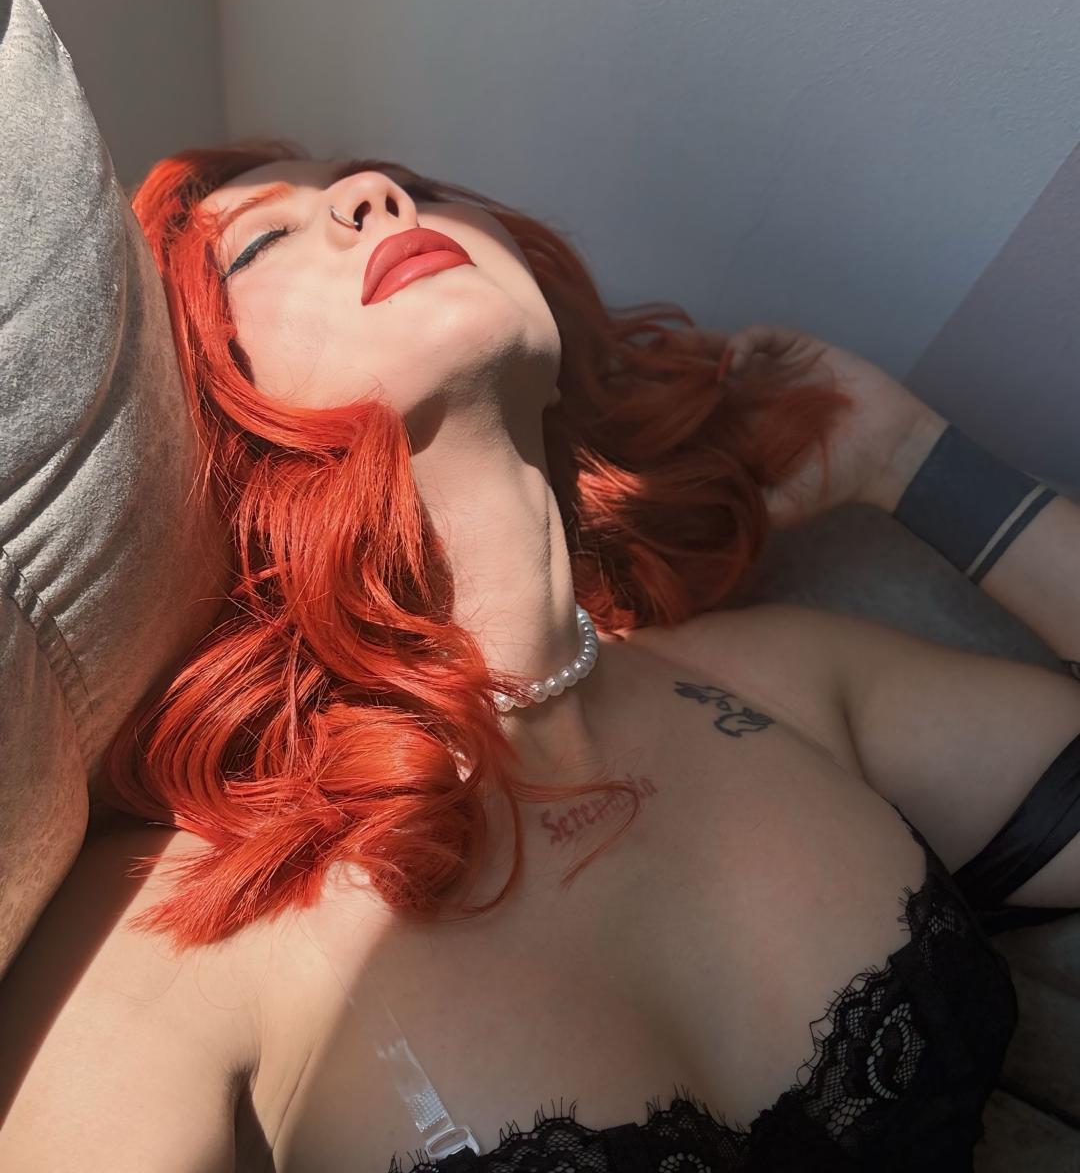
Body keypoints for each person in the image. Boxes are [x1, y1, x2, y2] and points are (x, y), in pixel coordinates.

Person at [1, 139, 1078, 1172]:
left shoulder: (783, 678)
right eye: (264, 241)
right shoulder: (178, 929)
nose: (376, 193)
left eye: (411, 183)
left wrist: (906, 456)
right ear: (194, 420)